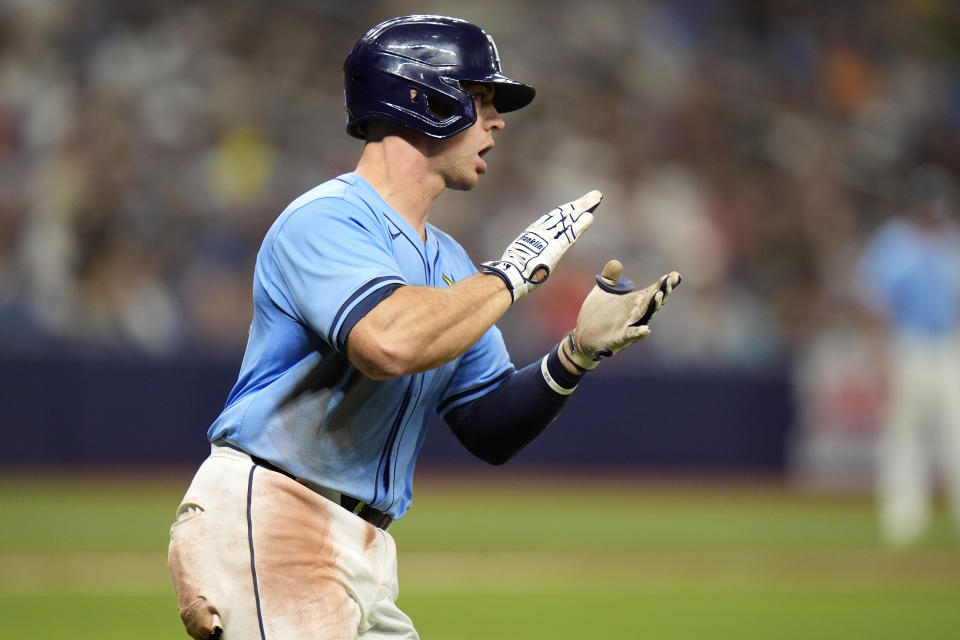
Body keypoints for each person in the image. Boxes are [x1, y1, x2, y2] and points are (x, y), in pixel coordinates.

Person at [167, 15, 681, 640]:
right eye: (481, 98)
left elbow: (488, 426)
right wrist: (513, 277)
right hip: (274, 519)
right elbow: (389, 343)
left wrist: (576, 354)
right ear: (421, 98)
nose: (496, 121)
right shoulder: (325, 220)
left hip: (360, 546)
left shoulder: (450, 263)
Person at [857, 163, 960, 547]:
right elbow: (875, 303)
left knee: (957, 432)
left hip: (949, 345)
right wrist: (879, 353)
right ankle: (903, 520)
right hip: (908, 344)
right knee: (902, 433)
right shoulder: (894, 241)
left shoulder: (952, 241)